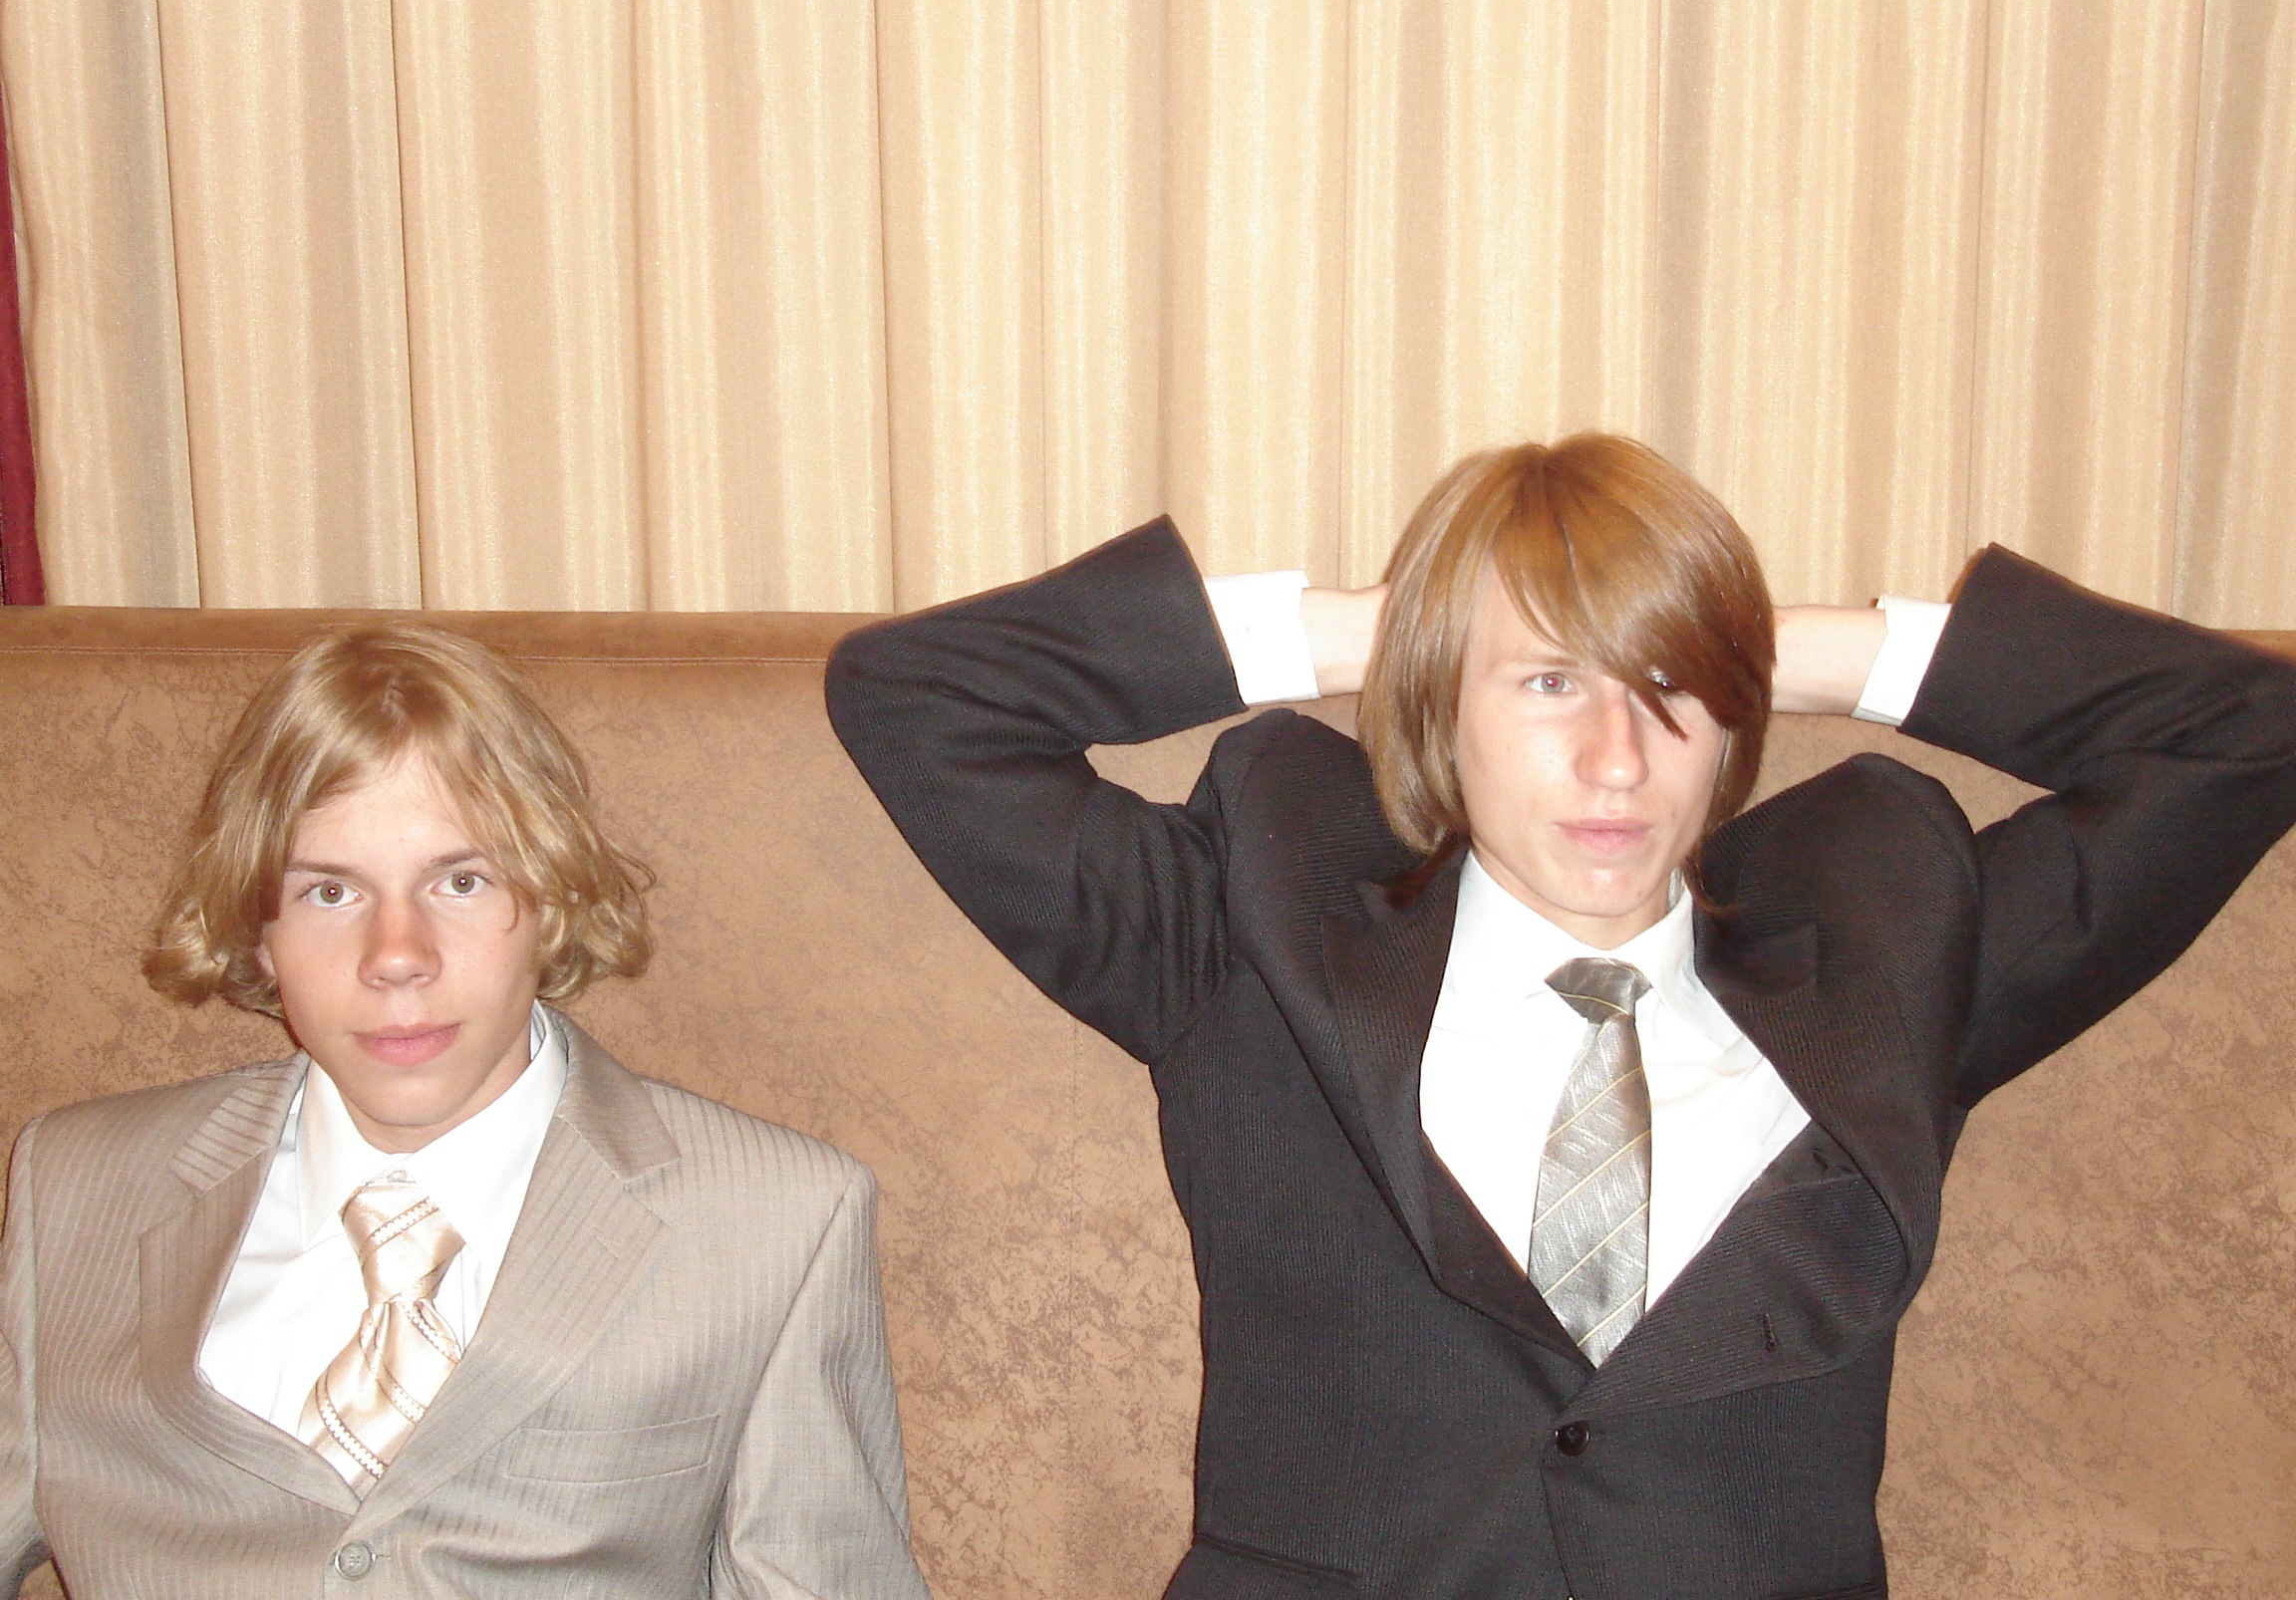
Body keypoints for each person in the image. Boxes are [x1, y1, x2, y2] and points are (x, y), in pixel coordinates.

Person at [826, 433, 2296, 1600]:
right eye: (1547, 683)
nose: (1618, 758)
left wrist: (1770, 646)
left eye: (1674, 692)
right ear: (1441, 704)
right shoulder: (1245, 935)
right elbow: (918, 696)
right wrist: (1393, 629)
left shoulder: (1895, 959)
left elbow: (2249, 730)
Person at [0, 623, 931, 1599]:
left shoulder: (772, 1222)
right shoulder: (77, 1186)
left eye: (461, 881)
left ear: (552, 901)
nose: (397, 956)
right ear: (260, 933)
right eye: (329, 891)